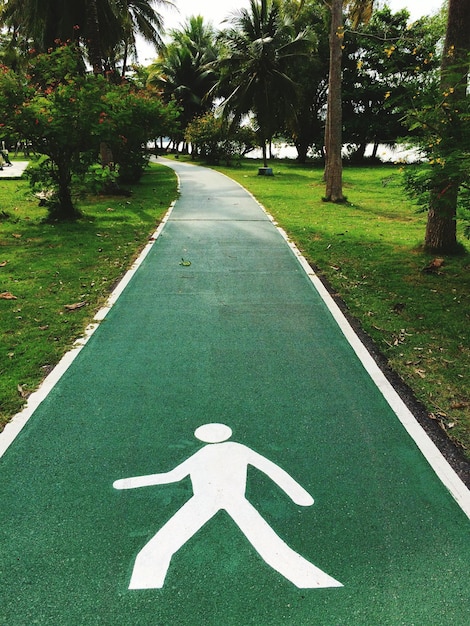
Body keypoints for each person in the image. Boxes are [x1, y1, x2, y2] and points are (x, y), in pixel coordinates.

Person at [114, 423, 342, 590]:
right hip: (210, 500)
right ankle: (311, 581)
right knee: (273, 548)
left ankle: (145, 583)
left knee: (158, 547)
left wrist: (297, 494)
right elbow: (173, 476)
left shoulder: (231, 450)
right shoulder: (216, 451)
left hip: (218, 500)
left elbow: (171, 476)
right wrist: (132, 482)